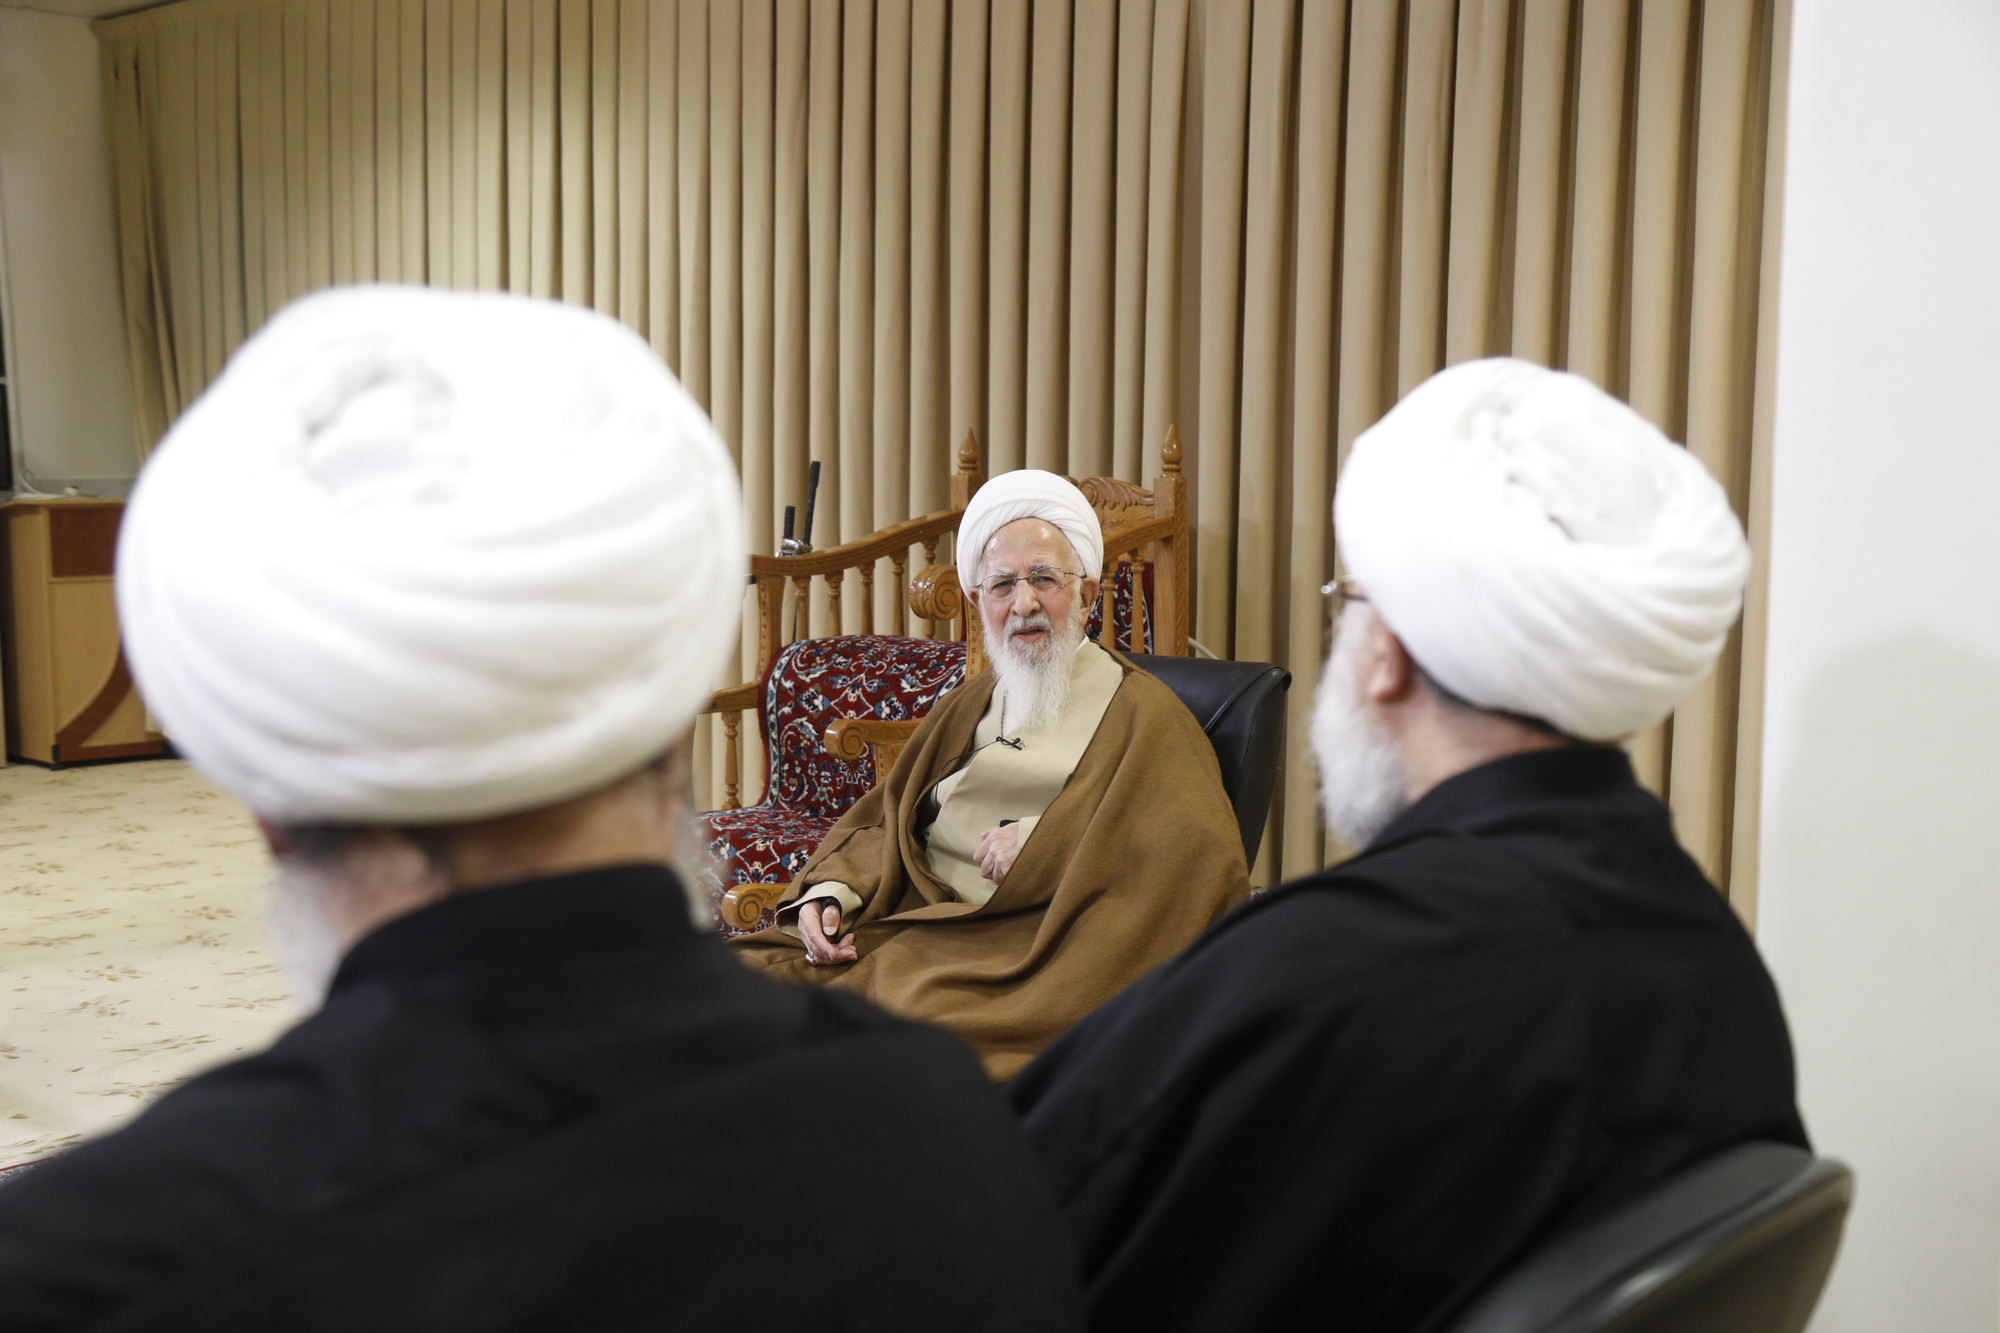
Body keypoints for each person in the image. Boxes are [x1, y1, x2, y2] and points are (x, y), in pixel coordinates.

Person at [0, 288, 1083, 1332]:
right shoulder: (936, 1132)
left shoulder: (77, 1263)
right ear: (668, 731)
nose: (1023, 602)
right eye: (1003, 583)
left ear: (266, 805)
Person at [1008, 358, 1808, 1331]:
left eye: (1349, 599)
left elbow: (984, 1239)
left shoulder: (1312, 981)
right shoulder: (1721, 969)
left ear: (1383, 653)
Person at [732, 470, 1249, 1079]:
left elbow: (1194, 859)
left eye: (1044, 580)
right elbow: (889, 818)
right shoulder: (972, 700)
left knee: (871, 1042)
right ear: (979, 604)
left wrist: (1045, 844)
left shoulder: (1145, 713)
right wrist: (833, 893)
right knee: (730, 987)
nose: (1023, 604)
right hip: (908, 917)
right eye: (1002, 584)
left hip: (1020, 954)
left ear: (1086, 593)